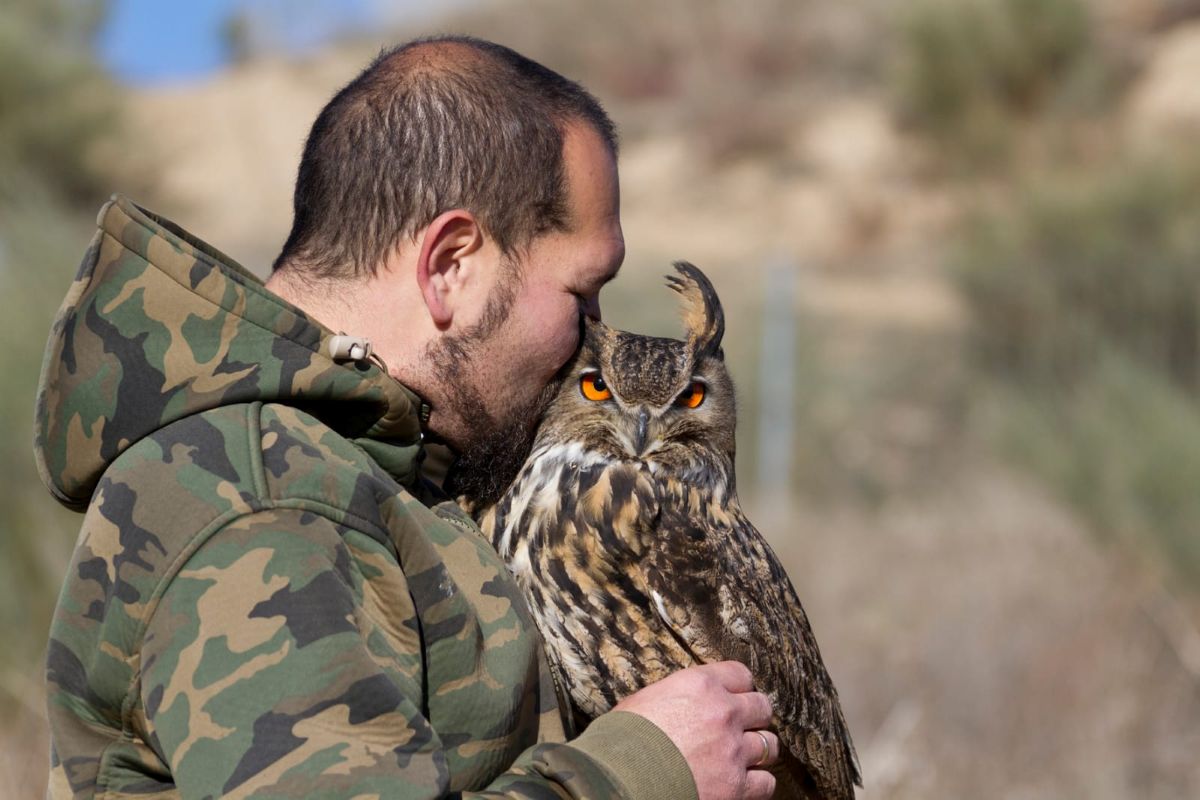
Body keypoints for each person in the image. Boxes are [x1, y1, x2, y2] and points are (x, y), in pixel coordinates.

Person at [35, 36, 779, 799]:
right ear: (451, 265)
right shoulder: (259, 499)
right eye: (581, 293)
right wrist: (640, 773)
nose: (596, 333)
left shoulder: (386, 467)